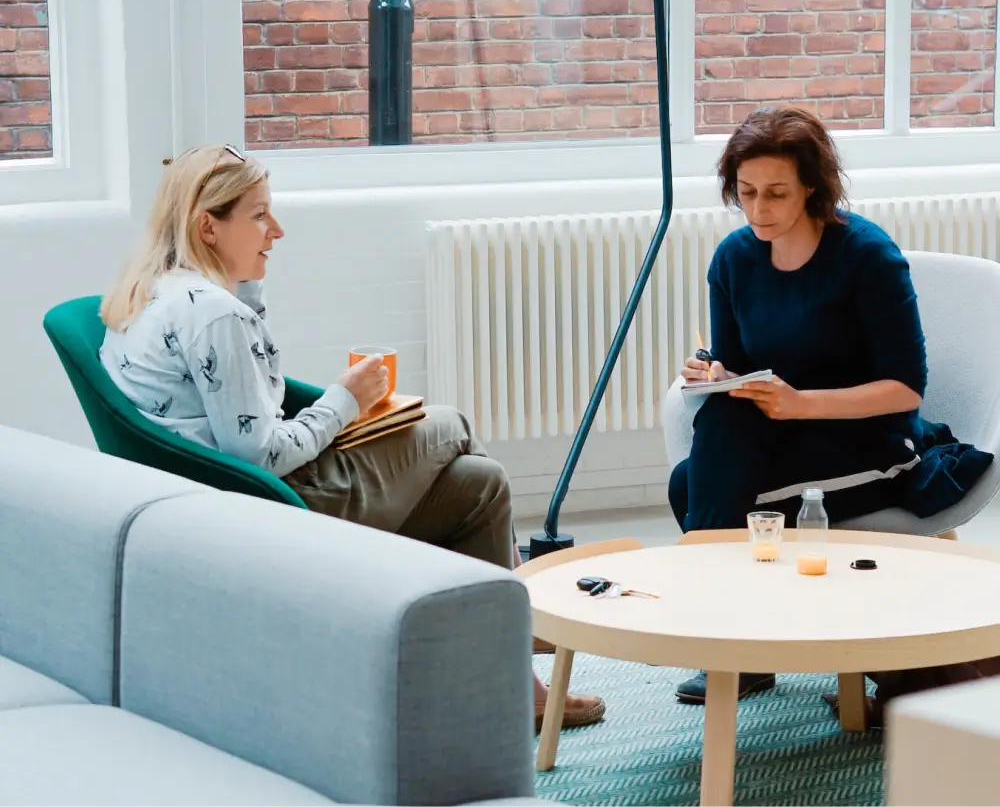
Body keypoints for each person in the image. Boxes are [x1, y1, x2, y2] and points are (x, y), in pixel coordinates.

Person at [99, 144, 605, 733]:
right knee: (452, 424)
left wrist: (255, 299)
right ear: (208, 225)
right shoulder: (216, 316)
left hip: (223, 500)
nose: (277, 230)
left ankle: (515, 682)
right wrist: (345, 400)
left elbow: (244, 410)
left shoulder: (163, 292)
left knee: (480, 484)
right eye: (260, 215)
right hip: (276, 504)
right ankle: (522, 618)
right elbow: (257, 452)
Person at [668, 107, 993, 705]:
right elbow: (735, 363)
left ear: (813, 186)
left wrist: (800, 404)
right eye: (745, 193)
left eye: (776, 193)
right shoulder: (735, 258)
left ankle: (727, 635)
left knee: (694, 487)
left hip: (872, 440)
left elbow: (906, 389)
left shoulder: (866, 256)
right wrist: (713, 372)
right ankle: (740, 639)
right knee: (700, 460)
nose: (758, 209)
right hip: (786, 435)